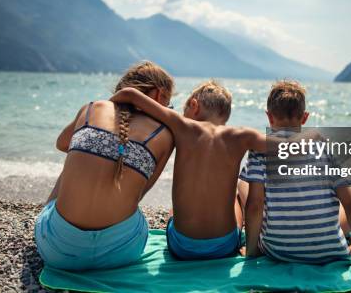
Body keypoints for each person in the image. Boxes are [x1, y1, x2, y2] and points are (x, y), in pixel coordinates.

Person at [35, 61, 175, 270]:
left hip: (58, 250)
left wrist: (97, 154)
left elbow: (63, 144)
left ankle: (56, 220)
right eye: (168, 103)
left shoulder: (93, 108)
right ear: (158, 95)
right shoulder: (163, 134)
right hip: (122, 251)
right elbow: (139, 194)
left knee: (74, 162)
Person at [110, 80, 268, 260]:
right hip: (223, 246)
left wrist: (103, 114)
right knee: (236, 193)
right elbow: (287, 144)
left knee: (174, 209)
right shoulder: (242, 136)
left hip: (182, 247)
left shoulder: (181, 125)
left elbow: (130, 94)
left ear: (194, 105)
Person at [239, 80, 351, 263]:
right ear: (304, 117)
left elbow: (255, 205)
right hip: (331, 252)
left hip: (278, 252)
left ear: (269, 117)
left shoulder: (261, 150)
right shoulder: (324, 147)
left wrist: (253, 252)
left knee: (246, 186)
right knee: (344, 202)